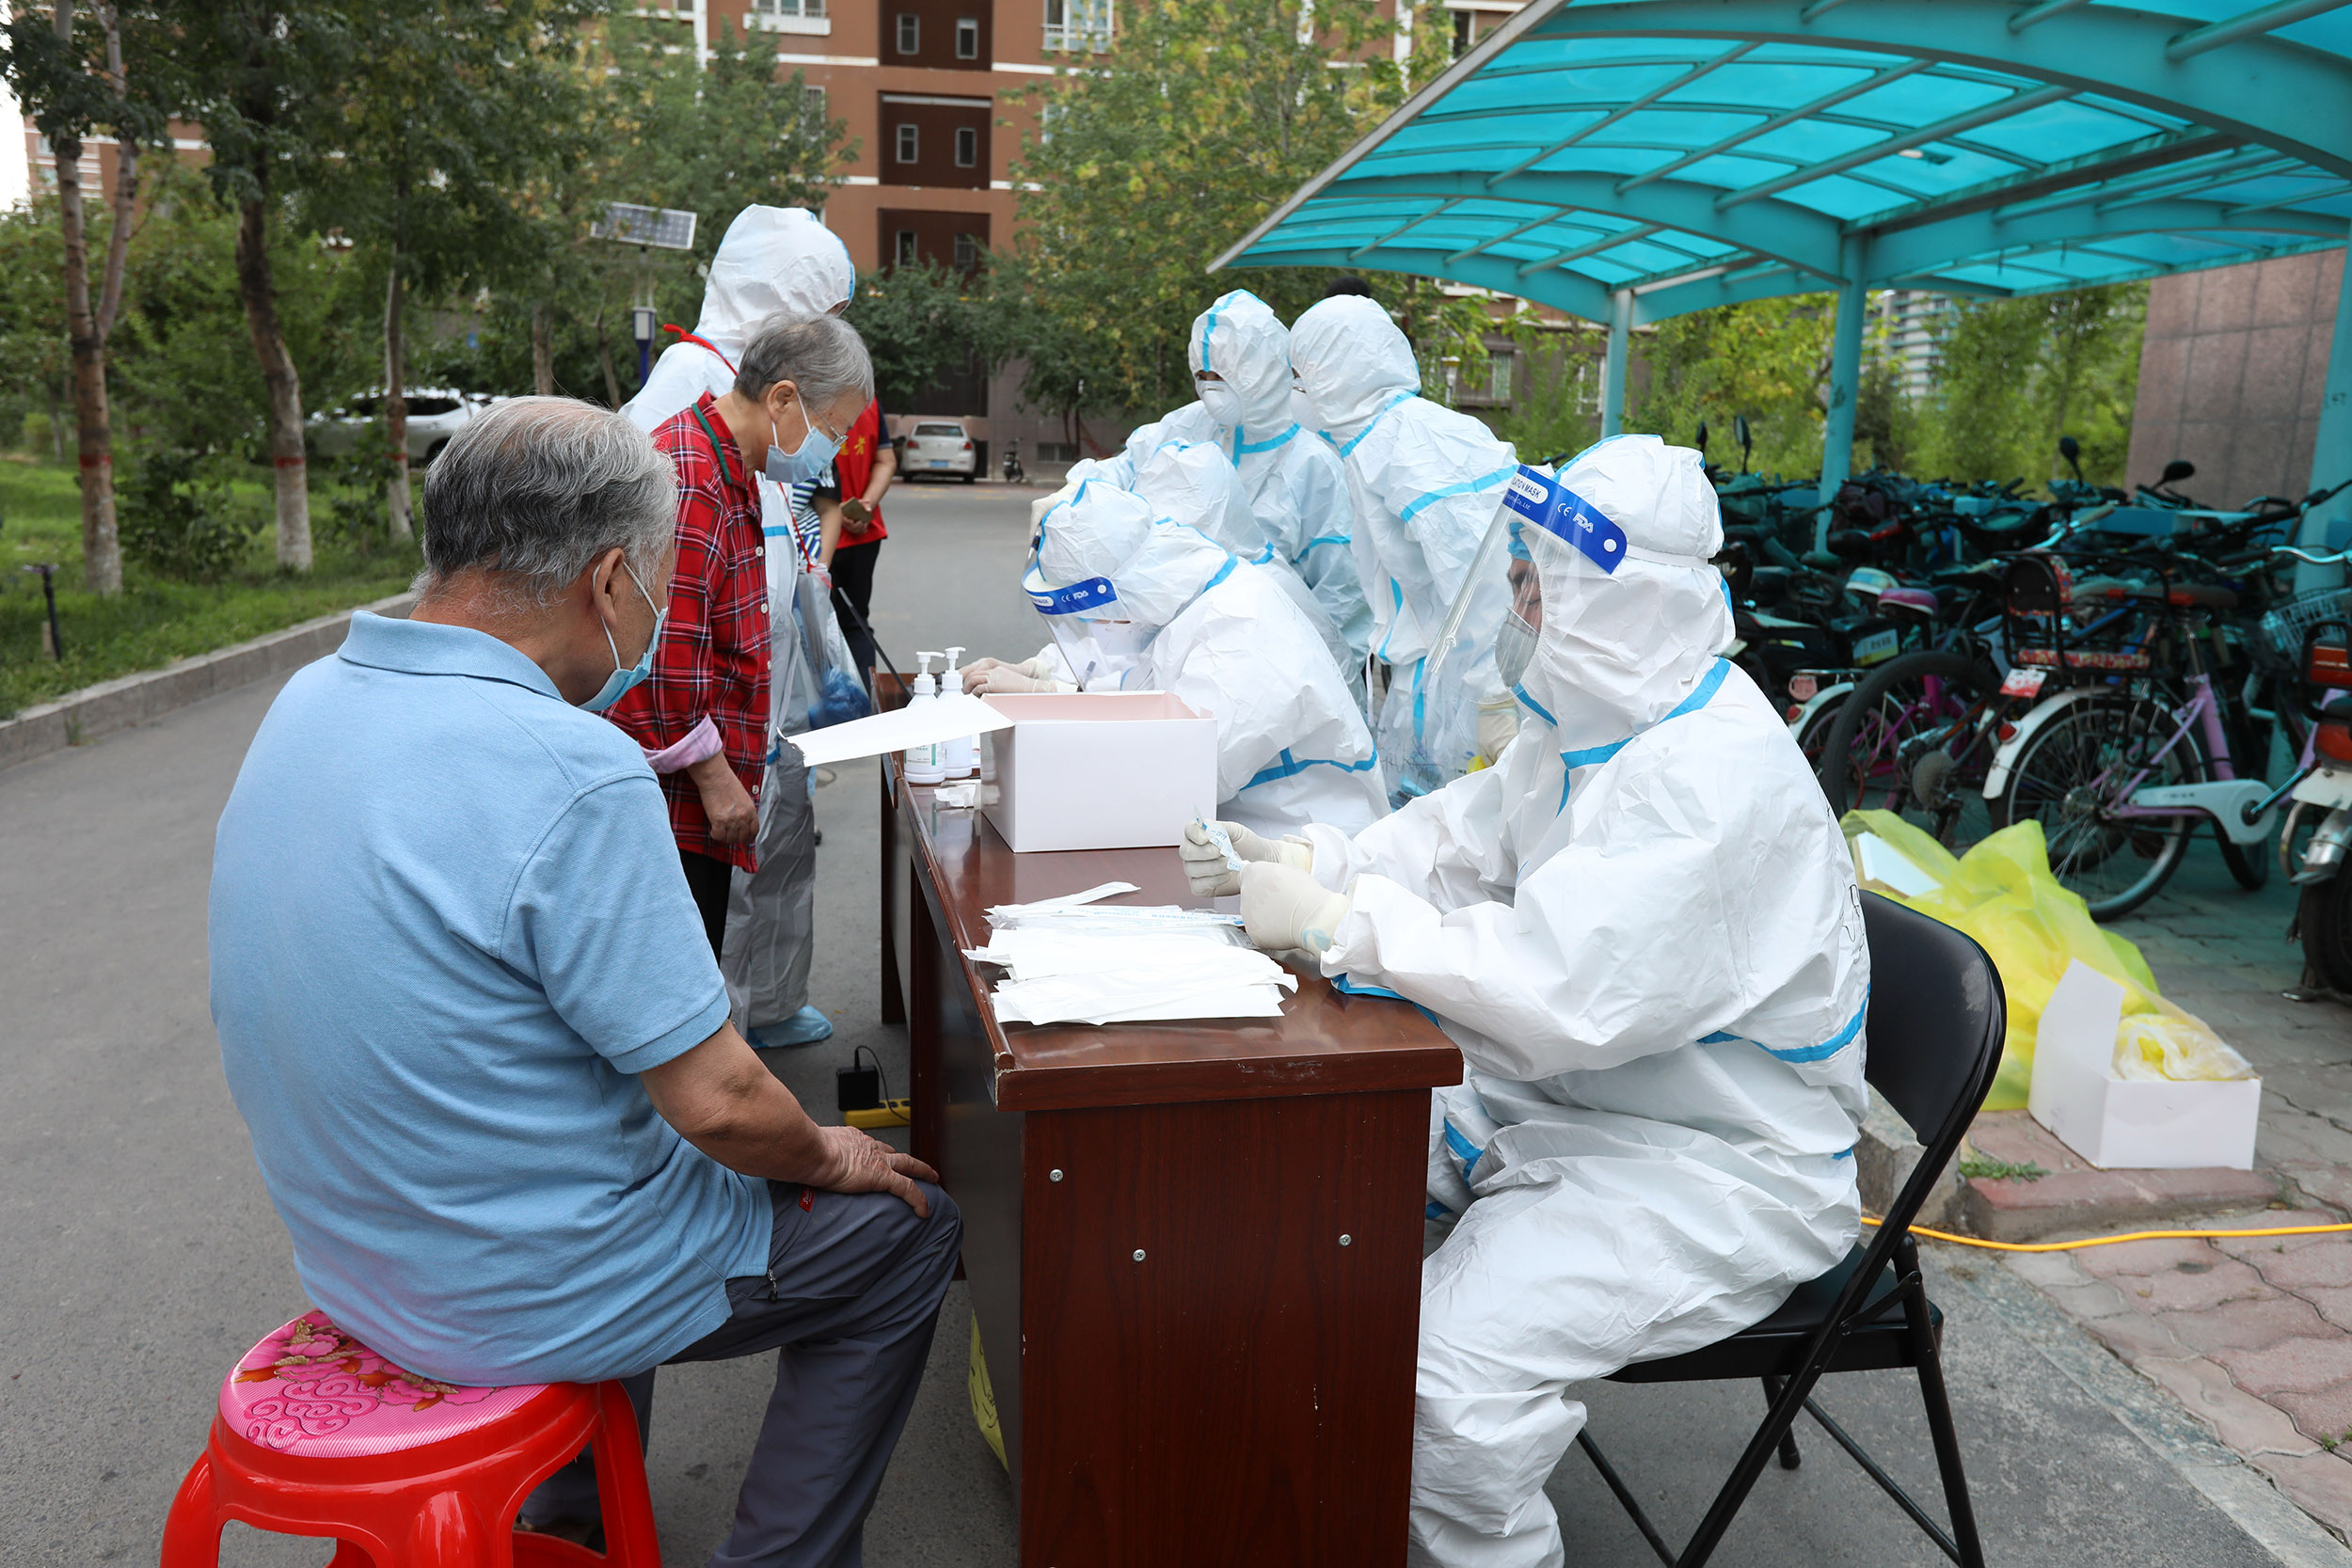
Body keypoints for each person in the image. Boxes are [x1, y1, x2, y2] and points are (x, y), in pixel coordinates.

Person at [210, 396, 961, 1565]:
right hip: (509, 1288)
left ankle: (573, 1508)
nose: (659, 616)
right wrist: (834, 1151)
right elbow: (718, 1100)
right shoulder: (573, 768)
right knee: (906, 1232)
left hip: (357, 1255)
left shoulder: (305, 702)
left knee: (609, 1145)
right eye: (659, 588)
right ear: (610, 581)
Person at [1181, 436, 1868, 1568]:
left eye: (1532, 584)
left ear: (1618, 598)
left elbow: (1561, 986)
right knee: (1295, 1174)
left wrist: (1332, 924)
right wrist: (1315, 855)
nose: (1514, 604)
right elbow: (1455, 842)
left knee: (1442, 1367)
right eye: (1514, 577)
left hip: (1716, 1166)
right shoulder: (1593, 725)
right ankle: (1291, 1493)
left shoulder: (1709, 776)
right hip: (1578, 1105)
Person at [623, 206, 859, 1051]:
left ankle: (758, 1011)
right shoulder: (687, 396)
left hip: (755, 692)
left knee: (779, 852)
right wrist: (707, 759)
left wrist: (823, 657)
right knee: (709, 900)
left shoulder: (750, 403)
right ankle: (717, 1053)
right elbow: (667, 623)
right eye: (824, 317)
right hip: (698, 720)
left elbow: (778, 541)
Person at [964, 480, 1386, 837]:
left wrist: (1050, 702)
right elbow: (1140, 688)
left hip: (1301, 847)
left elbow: (1184, 771)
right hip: (1231, 835)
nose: (1097, 629)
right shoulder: (1178, 604)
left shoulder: (1241, 624)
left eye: (1094, 617)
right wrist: (1044, 677)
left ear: (1116, 590)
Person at [1291, 293, 1522, 802]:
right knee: (1424, 826)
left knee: (1467, 834)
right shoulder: (1373, 443)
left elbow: (1482, 571)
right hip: (1429, 673)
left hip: (1469, 679)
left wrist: (1495, 694)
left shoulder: (1414, 444)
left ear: (1334, 372)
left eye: (1301, 373)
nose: (1296, 390)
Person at [1122, 291, 1371, 707]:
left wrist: (1323, 682)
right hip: (1182, 661)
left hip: (1278, 667)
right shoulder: (1185, 428)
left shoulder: (1311, 466)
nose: (1210, 388)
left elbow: (1341, 595)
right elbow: (1123, 477)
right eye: (1202, 375)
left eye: (1223, 376)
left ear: (1262, 372)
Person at [813, 397, 897, 684]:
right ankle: (865, 704)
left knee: (814, 626)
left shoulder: (809, 398)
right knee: (857, 623)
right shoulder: (870, 403)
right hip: (865, 532)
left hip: (816, 537)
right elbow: (886, 461)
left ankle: (825, 708)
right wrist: (867, 505)